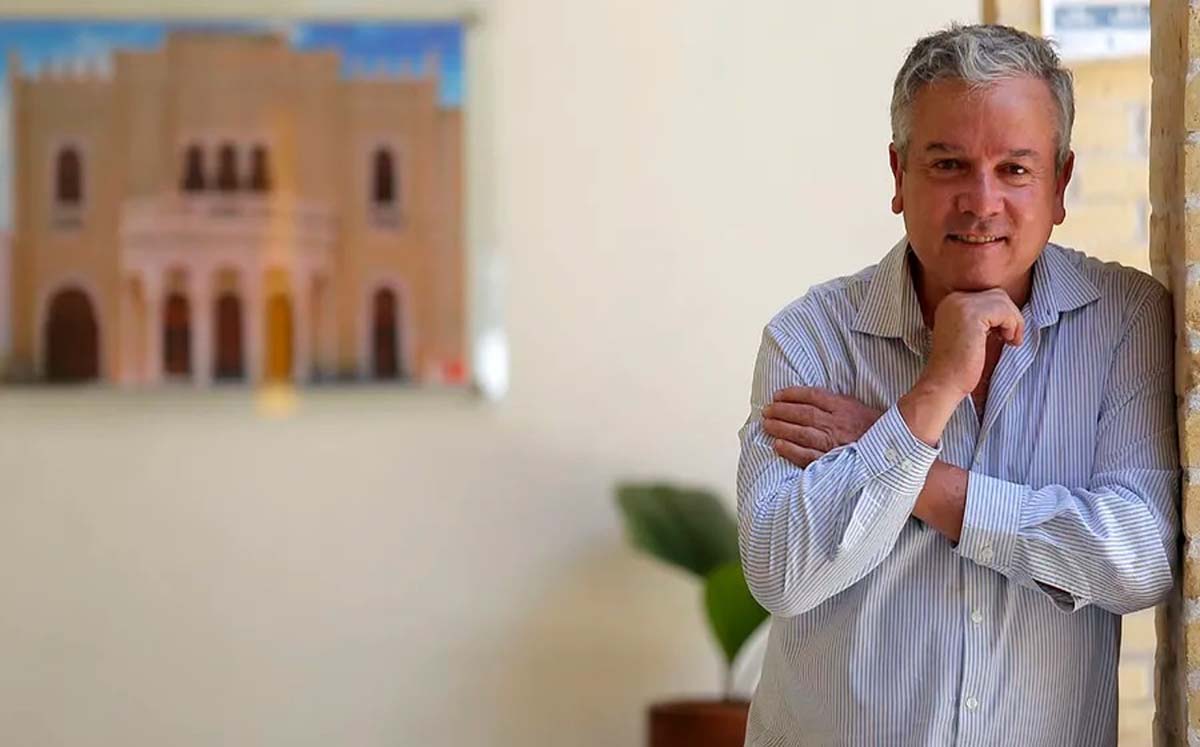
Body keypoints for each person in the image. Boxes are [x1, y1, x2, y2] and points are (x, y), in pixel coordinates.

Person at [736, 23, 1179, 746]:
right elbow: (781, 571)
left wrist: (909, 468)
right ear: (898, 174)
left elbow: (1139, 558)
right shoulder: (810, 337)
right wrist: (929, 397)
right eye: (948, 164)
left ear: (1061, 183)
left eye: (1015, 169)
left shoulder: (1125, 322)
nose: (981, 201)